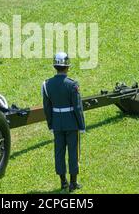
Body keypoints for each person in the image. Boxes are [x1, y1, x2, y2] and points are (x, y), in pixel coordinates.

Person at [41, 52, 86, 192]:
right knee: (73, 152)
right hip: (71, 123)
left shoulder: (47, 84)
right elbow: (78, 107)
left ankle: (63, 183)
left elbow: (47, 107)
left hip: (57, 124)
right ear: (67, 67)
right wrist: (82, 125)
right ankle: (73, 183)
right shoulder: (72, 84)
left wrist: (50, 124)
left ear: (55, 66)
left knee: (59, 152)